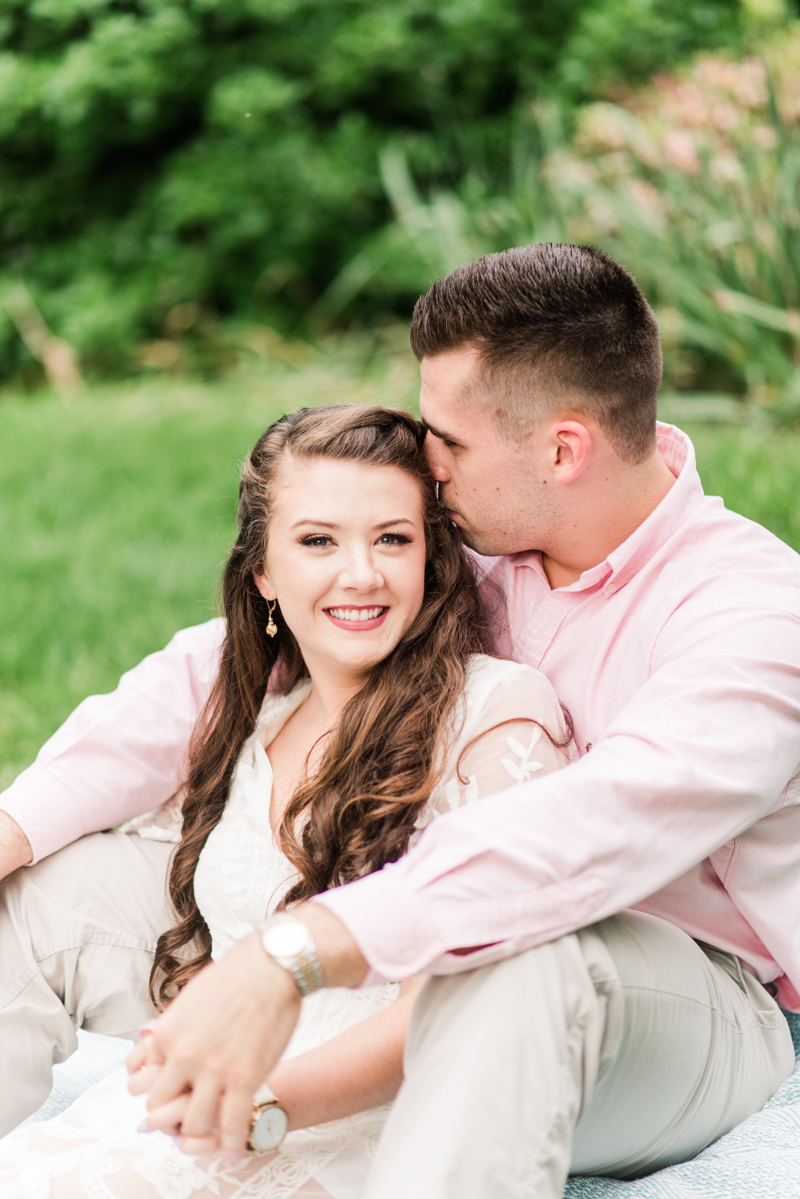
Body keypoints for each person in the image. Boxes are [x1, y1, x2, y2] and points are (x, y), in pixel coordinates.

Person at [1, 242, 799, 1197]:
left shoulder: (749, 617)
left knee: (517, 956)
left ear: (561, 448)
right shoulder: (482, 549)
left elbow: (595, 830)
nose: (427, 462)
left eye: (448, 440)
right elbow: (214, 669)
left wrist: (296, 956)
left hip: (680, 990)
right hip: (399, 912)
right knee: (46, 887)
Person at [0, 403, 572, 1197]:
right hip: (211, 1093)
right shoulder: (261, 707)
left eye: (393, 538)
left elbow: (481, 1000)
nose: (362, 572)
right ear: (264, 571)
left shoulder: (494, 710)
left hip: (357, 1116)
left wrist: (260, 1103)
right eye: (318, 541)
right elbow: (100, 752)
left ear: (431, 558)